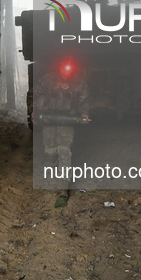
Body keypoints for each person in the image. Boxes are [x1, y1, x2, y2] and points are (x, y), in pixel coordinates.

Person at [32, 59, 90, 207]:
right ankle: (54, 164)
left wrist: (84, 113)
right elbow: (35, 94)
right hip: (49, 120)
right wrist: (33, 111)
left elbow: (85, 99)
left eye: (69, 69)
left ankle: (63, 191)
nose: (66, 71)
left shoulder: (79, 82)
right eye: (63, 68)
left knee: (65, 151)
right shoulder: (47, 79)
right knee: (50, 151)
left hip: (67, 121)